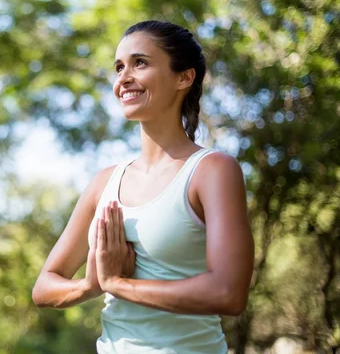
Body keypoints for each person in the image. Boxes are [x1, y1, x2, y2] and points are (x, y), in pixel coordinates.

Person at [32, 20, 254, 353]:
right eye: (119, 67)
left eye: (140, 63)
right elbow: (44, 286)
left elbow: (228, 293)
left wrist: (118, 284)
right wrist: (91, 286)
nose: (123, 77)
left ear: (184, 77)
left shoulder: (212, 171)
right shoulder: (104, 182)